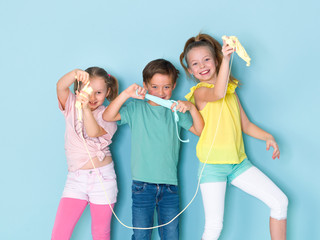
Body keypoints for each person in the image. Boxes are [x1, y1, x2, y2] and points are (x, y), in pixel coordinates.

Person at [180, 33, 288, 240]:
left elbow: (245, 125)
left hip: (238, 164)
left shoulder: (231, 91)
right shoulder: (200, 92)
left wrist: (268, 137)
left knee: (280, 202)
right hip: (211, 166)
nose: (202, 66)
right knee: (214, 227)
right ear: (190, 70)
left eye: (206, 59)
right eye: (195, 63)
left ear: (215, 60)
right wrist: (227, 59)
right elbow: (217, 93)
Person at [103, 59, 204, 240]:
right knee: (141, 235)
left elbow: (200, 130)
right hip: (142, 186)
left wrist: (191, 108)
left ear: (174, 86)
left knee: (171, 235)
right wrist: (127, 94)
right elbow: (108, 115)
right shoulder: (135, 108)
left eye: (166, 87)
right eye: (155, 87)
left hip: (170, 186)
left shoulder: (176, 110)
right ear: (145, 86)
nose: (161, 92)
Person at [52, 67, 119, 240]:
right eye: (89, 91)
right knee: (60, 232)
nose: (93, 97)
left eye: (99, 92)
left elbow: (93, 131)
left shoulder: (109, 114)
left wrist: (86, 110)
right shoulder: (70, 106)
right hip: (76, 179)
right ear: (79, 90)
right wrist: (74, 74)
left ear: (107, 92)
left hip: (103, 180)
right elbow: (60, 87)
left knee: (100, 233)